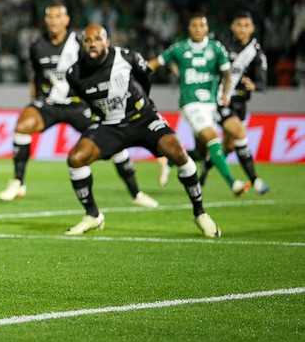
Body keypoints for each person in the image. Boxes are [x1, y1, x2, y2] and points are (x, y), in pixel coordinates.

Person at [64, 24, 220, 237]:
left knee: (178, 153)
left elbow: (146, 78)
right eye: (88, 40)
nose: (92, 44)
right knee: (76, 159)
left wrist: (144, 104)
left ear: (107, 42)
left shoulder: (127, 58)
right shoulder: (75, 73)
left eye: (97, 39)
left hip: (143, 119)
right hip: (111, 126)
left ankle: (200, 213)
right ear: (83, 44)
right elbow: (85, 99)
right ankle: (93, 215)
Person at [0, 5, 158, 209]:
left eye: (58, 17)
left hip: (79, 104)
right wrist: (34, 99)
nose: (54, 21)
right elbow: (36, 75)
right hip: (50, 103)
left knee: (113, 142)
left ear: (66, 20)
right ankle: (18, 182)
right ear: (45, 21)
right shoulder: (37, 45)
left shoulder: (80, 42)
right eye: (50, 17)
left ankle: (136, 192)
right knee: (22, 126)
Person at [148, 13, 251, 196]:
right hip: (190, 103)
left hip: (210, 105)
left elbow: (227, 74)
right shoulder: (179, 48)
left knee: (202, 152)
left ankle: (170, 161)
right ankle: (232, 183)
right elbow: (155, 64)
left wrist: (226, 94)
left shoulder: (216, 48)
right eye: (194, 26)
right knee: (212, 138)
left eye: (201, 26)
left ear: (207, 28)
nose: (197, 29)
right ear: (189, 29)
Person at [199, 12, 269, 194]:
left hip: (240, 104)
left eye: (246, 25)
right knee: (239, 133)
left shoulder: (255, 52)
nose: (242, 29)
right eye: (239, 25)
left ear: (252, 28)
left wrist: (254, 85)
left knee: (228, 146)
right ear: (232, 26)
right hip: (220, 101)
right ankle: (255, 180)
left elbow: (262, 81)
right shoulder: (221, 43)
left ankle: (204, 170)